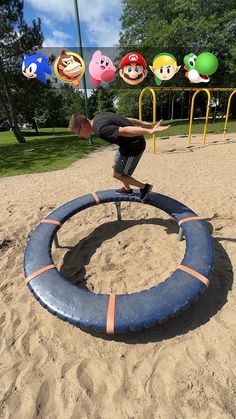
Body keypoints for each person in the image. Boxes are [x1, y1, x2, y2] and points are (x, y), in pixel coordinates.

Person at [68, 112, 170, 201]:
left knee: (118, 175)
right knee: (115, 167)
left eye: (77, 133)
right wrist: (143, 123)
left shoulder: (101, 130)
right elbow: (125, 120)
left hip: (133, 146)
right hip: (124, 146)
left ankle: (145, 188)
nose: (79, 136)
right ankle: (127, 189)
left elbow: (124, 130)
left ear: (83, 126)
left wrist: (149, 131)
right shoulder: (99, 117)